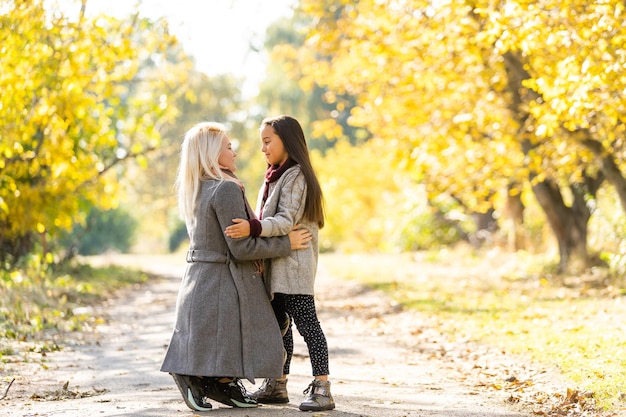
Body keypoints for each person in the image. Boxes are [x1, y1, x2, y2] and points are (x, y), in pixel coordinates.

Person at [160, 121, 312, 411]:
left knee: (223, 335)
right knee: (259, 329)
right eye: (229, 147)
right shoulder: (224, 190)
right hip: (221, 278)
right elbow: (241, 247)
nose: (235, 152)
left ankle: (224, 381)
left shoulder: (198, 187)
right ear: (211, 154)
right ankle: (194, 374)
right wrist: (287, 243)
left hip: (202, 277)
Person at [224, 115, 334, 411]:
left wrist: (252, 229)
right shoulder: (273, 176)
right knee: (278, 330)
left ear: (287, 140)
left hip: (294, 269)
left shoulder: (296, 175)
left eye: (267, 141)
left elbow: (284, 220)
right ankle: (277, 383)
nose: (263, 148)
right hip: (275, 269)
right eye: (262, 142)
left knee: (308, 326)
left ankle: (322, 386)